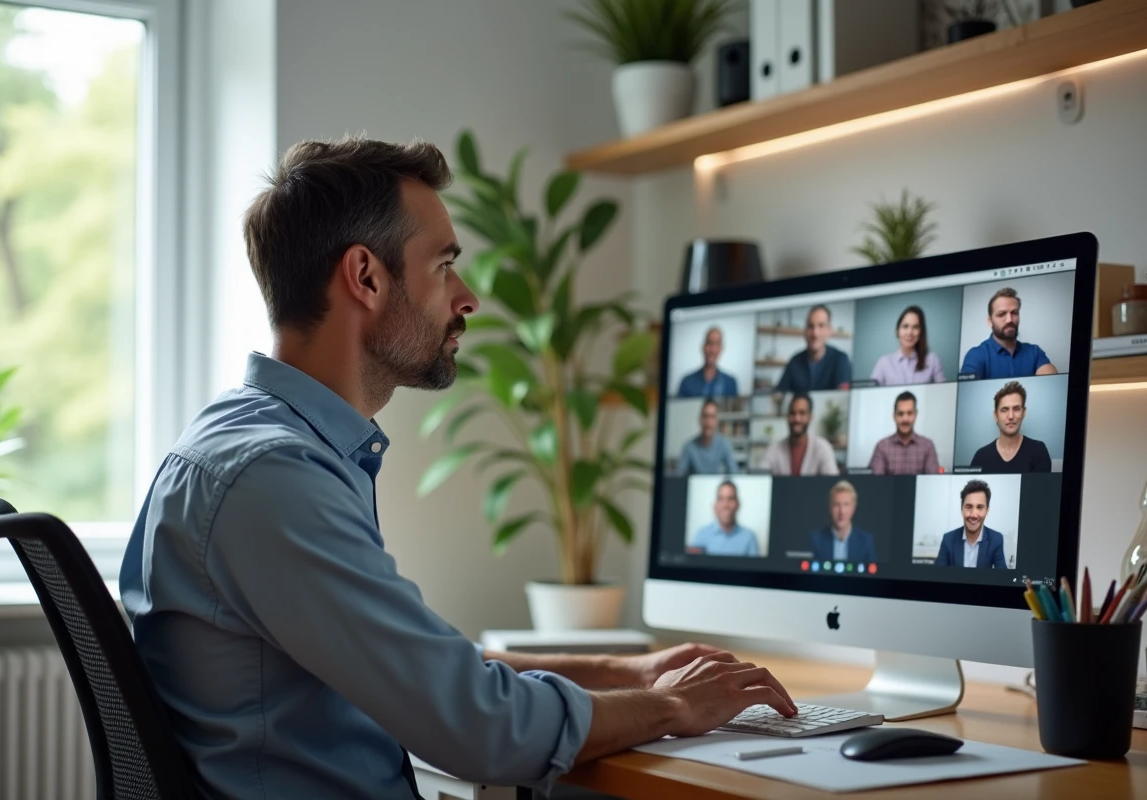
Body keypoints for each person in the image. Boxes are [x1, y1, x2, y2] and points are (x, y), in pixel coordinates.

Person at [118, 136, 796, 799]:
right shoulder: (271, 477)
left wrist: (628, 670)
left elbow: (426, 673)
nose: (467, 297)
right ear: (366, 277)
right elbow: (482, 727)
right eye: (444, 265)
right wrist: (676, 709)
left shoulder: (254, 445)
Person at [960, 287, 1058, 379]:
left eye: (1014, 312)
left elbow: (1050, 382)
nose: (1009, 320)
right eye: (1001, 314)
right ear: (990, 321)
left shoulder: (1035, 352)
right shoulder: (976, 355)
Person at [970, 380, 1051, 473]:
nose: (1011, 416)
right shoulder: (981, 457)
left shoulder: (1038, 451)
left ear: (1024, 412)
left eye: (1016, 409)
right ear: (996, 415)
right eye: (1004, 410)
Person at [774, 305, 852, 393]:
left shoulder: (841, 359)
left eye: (821, 326)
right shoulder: (795, 361)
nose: (815, 333)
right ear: (805, 331)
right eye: (810, 326)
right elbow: (779, 394)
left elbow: (844, 398)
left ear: (829, 330)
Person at [934, 480, 1010, 569]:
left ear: (987, 510)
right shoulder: (948, 539)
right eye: (968, 507)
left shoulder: (996, 539)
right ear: (961, 509)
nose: (973, 515)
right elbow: (938, 576)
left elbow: (1002, 577)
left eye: (980, 507)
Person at [764, 393, 839, 476]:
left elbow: (832, 483)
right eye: (792, 413)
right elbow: (760, 477)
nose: (797, 419)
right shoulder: (774, 449)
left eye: (802, 413)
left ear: (810, 417)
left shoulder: (823, 448)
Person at [867, 391, 941, 475]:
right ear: (894, 416)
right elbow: (876, 481)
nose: (905, 419)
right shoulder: (882, 446)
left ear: (915, 415)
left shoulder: (927, 446)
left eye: (909, 413)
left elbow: (932, 479)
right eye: (900, 414)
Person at [870, 305, 946, 385]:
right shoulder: (884, 362)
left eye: (915, 327)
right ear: (897, 331)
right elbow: (870, 393)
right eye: (905, 326)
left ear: (921, 332)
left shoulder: (932, 360)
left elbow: (945, 391)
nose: (909, 332)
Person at [809, 481, 877, 564]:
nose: (842, 511)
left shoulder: (866, 541)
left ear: (853, 508)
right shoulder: (816, 539)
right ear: (830, 508)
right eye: (837, 505)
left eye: (846, 504)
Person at [690, 480, 762, 556]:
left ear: (738, 504)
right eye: (721, 499)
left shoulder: (749, 538)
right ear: (715, 505)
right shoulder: (701, 535)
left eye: (730, 499)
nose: (725, 505)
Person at [677, 400, 738, 475]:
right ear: (700, 420)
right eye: (705, 416)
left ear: (717, 421)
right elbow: (680, 477)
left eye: (712, 417)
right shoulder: (688, 447)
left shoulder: (725, 445)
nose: (708, 422)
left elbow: (734, 474)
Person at [677, 326, 740, 397]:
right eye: (709, 343)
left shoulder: (730, 383)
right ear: (703, 347)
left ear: (721, 348)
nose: (712, 350)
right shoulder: (687, 382)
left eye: (716, 344)